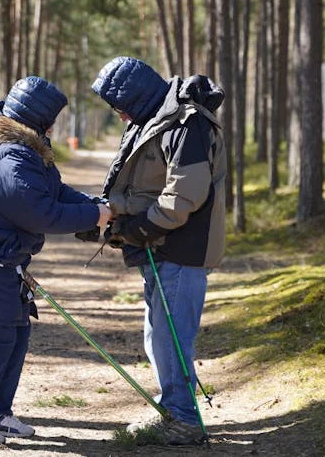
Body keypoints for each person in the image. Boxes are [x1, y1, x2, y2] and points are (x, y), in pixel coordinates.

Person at [0, 76, 112, 446]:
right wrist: (94, 217)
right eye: (53, 120)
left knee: (15, 332)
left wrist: (94, 205)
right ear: (40, 120)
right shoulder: (8, 155)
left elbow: (54, 191)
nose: (54, 127)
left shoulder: (21, 147)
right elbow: (40, 213)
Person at [90, 56, 225, 445]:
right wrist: (110, 217)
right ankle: (174, 409)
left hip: (181, 248)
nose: (117, 115)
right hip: (158, 247)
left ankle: (183, 420)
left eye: (119, 105)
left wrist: (141, 227)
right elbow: (140, 183)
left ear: (137, 96)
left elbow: (185, 193)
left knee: (171, 339)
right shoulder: (150, 121)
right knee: (159, 337)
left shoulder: (188, 124)